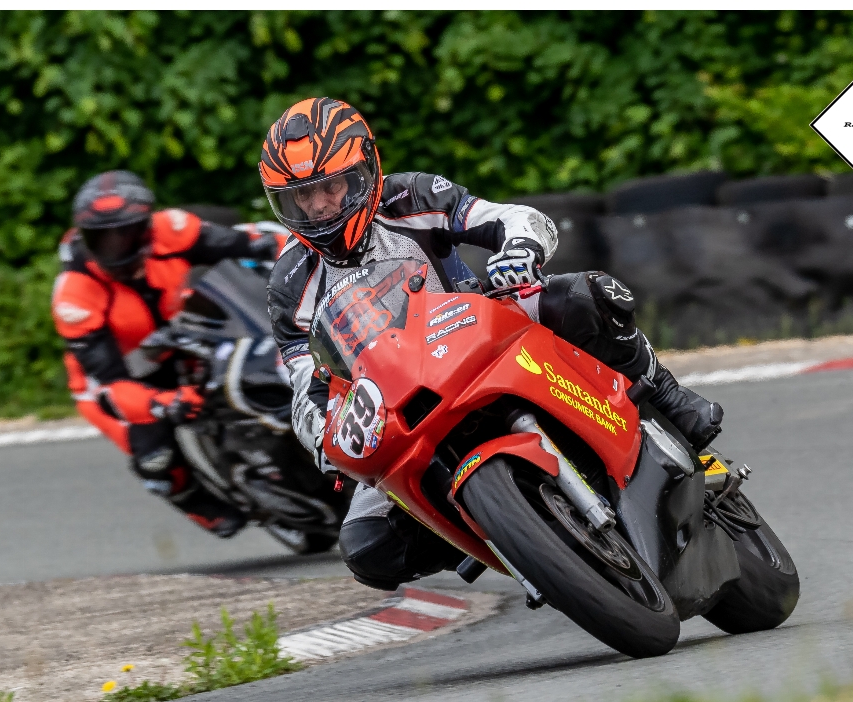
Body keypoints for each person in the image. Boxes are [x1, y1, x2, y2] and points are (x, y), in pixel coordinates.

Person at [260, 98, 723, 589]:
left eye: (330, 187)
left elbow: (513, 217)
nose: (318, 207)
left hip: (479, 335)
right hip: (400, 409)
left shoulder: (411, 196)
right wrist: (325, 437)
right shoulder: (289, 285)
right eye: (301, 197)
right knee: (366, 547)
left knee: (585, 296)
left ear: (364, 171)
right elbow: (305, 386)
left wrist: (520, 250)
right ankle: (497, 530)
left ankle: (667, 396)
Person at [52, 170, 284, 537]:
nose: (115, 248)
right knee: (154, 459)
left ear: (146, 226)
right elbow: (110, 386)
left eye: (125, 233)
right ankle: (194, 503)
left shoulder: (173, 228)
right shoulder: (74, 296)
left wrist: (290, 253)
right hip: (127, 374)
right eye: (101, 238)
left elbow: (251, 244)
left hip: (188, 336)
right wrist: (165, 403)